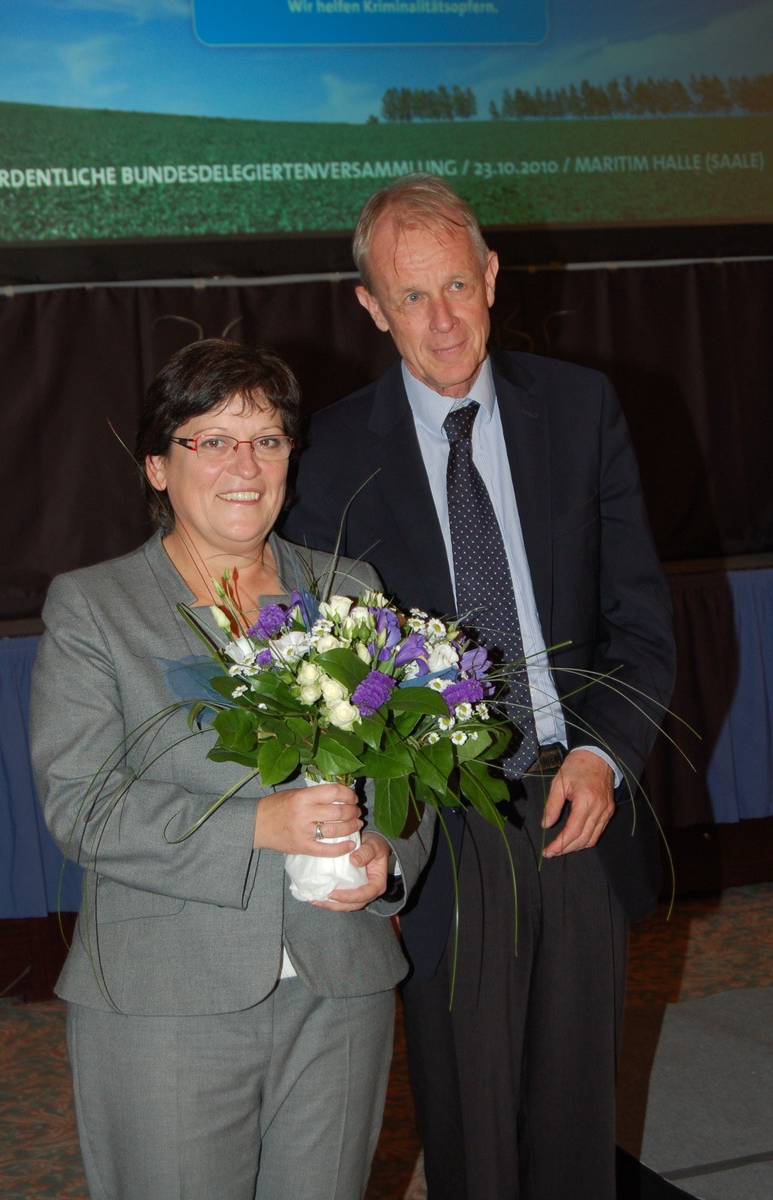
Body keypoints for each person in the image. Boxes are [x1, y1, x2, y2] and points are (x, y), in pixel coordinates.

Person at [281, 174, 676, 1199]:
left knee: (577, 1127)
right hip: (443, 829)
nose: (443, 319)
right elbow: (315, 670)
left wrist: (604, 754)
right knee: (473, 1132)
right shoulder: (324, 457)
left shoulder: (583, 409)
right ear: (370, 306)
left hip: (575, 804)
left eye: (458, 284)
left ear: (493, 276)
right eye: (411, 297)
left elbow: (641, 620)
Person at [30, 339, 433, 1200]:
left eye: (268, 440)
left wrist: (386, 859)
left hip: (342, 986)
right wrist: (260, 826)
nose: (244, 465)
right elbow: (85, 808)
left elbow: (412, 773)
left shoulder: (353, 591)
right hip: (165, 999)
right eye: (211, 440)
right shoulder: (95, 609)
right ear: (156, 467)